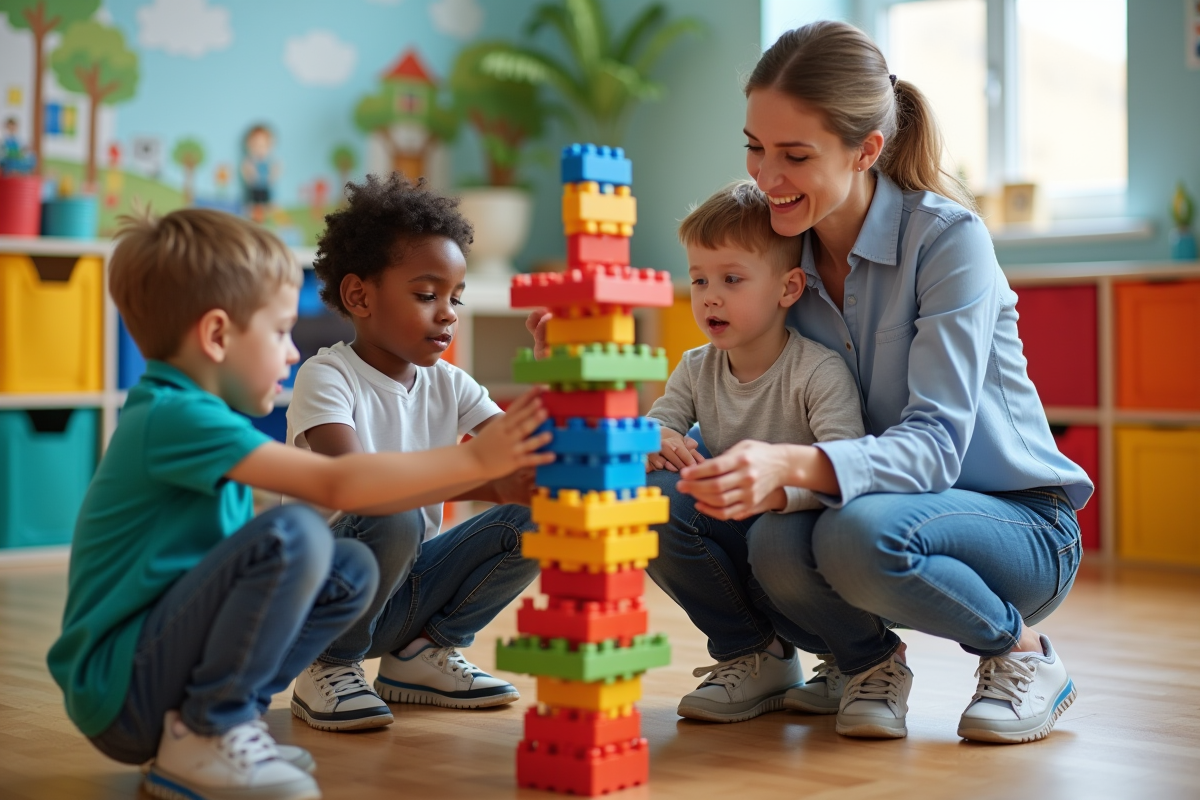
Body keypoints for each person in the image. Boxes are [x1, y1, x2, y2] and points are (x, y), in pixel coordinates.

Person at [527, 20, 1091, 746]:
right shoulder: (779, 246)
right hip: (858, 508)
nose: (766, 178)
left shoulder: (948, 241)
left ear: (866, 150)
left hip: (1013, 524)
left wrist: (788, 465)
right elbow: (733, 386)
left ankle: (1021, 653)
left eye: (795, 155)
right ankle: (781, 656)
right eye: (754, 148)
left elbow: (934, 449)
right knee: (686, 505)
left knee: (851, 534)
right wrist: (593, 375)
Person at [48, 208, 552, 800]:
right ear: (216, 335)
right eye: (280, 331)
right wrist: (477, 463)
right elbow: (339, 485)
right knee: (295, 534)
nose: (291, 354)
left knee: (350, 566)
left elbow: (525, 457)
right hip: (122, 688)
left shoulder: (196, 417)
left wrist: (555, 380)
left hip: (163, 668)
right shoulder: (173, 417)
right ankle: (211, 728)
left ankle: (229, 720)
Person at [285, 174, 542, 732]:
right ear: (360, 296)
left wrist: (555, 371)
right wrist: (485, 478)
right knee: (392, 507)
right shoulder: (327, 376)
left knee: (541, 512)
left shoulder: (450, 382)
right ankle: (327, 665)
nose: (448, 313)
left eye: (455, 297)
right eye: (427, 296)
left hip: (402, 592)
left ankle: (420, 655)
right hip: (326, 595)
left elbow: (526, 455)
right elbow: (358, 482)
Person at [640, 180, 865, 722]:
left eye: (731, 279)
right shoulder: (696, 366)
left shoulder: (818, 371)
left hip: (804, 542)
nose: (709, 297)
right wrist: (656, 438)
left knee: (774, 538)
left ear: (788, 288)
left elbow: (848, 465)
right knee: (648, 499)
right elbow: (659, 421)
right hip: (738, 526)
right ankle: (755, 653)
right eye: (699, 279)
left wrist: (781, 494)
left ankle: (859, 657)